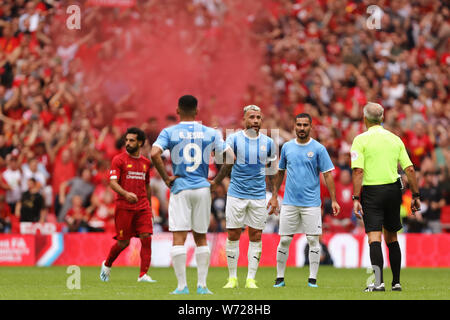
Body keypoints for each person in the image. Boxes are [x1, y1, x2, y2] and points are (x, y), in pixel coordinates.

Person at [150, 95, 232, 295]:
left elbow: (153, 153)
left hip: (180, 188)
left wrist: (166, 178)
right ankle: (203, 286)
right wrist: (217, 181)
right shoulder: (210, 132)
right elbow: (231, 157)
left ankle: (181, 287)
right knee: (201, 237)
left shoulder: (169, 131)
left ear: (177, 111)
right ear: (197, 111)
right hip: (203, 188)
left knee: (179, 237)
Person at [350, 102, 421, 292]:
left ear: (364, 119)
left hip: (372, 192)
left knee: (374, 237)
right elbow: (410, 169)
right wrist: (415, 195)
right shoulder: (395, 139)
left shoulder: (360, 140)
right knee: (392, 237)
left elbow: (358, 171)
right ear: (382, 118)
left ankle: (378, 282)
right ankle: (396, 282)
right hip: (392, 191)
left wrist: (356, 198)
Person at [268, 113, 340, 288]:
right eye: (299, 125)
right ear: (294, 126)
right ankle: (279, 278)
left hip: (311, 204)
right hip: (290, 202)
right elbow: (280, 172)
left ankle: (312, 279)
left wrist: (334, 200)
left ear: (311, 126)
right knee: (284, 240)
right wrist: (275, 196)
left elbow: (328, 175)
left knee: (314, 241)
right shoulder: (286, 147)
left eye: (305, 125)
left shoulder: (318, 149)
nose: (301, 128)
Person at [218, 105, 277, 289]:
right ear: (244, 120)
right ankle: (232, 278)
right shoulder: (234, 139)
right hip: (236, 194)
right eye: (252, 117)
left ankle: (251, 278)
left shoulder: (268, 142)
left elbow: (273, 171)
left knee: (256, 235)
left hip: (258, 196)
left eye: (258, 117)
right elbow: (225, 162)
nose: (255, 121)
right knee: (234, 234)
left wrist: (274, 196)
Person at [100, 127, 157, 283]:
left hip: (143, 207)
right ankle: (107, 264)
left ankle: (143, 275)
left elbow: (147, 186)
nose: (128, 143)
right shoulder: (118, 160)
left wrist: (150, 208)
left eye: (131, 140)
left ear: (140, 142)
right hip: (124, 206)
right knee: (123, 242)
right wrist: (125, 194)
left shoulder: (146, 163)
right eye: (127, 140)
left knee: (146, 238)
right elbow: (113, 183)